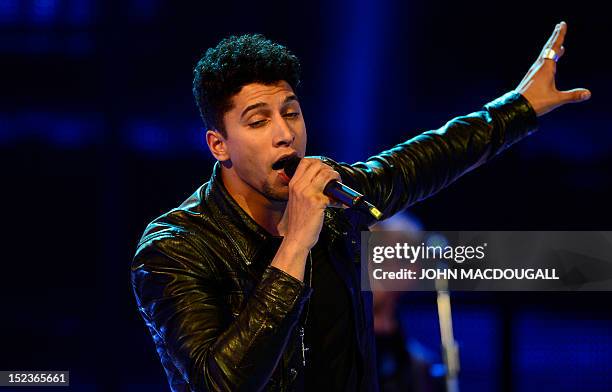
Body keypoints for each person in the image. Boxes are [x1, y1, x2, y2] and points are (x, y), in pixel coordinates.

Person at [131, 23, 589, 391]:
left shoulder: (331, 196)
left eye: (291, 112)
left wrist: (520, 107)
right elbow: (223, 383)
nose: (284, 133)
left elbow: (422, 161)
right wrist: (295, 243)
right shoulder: (176, 248)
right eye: (258, 121)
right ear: (219, 144)